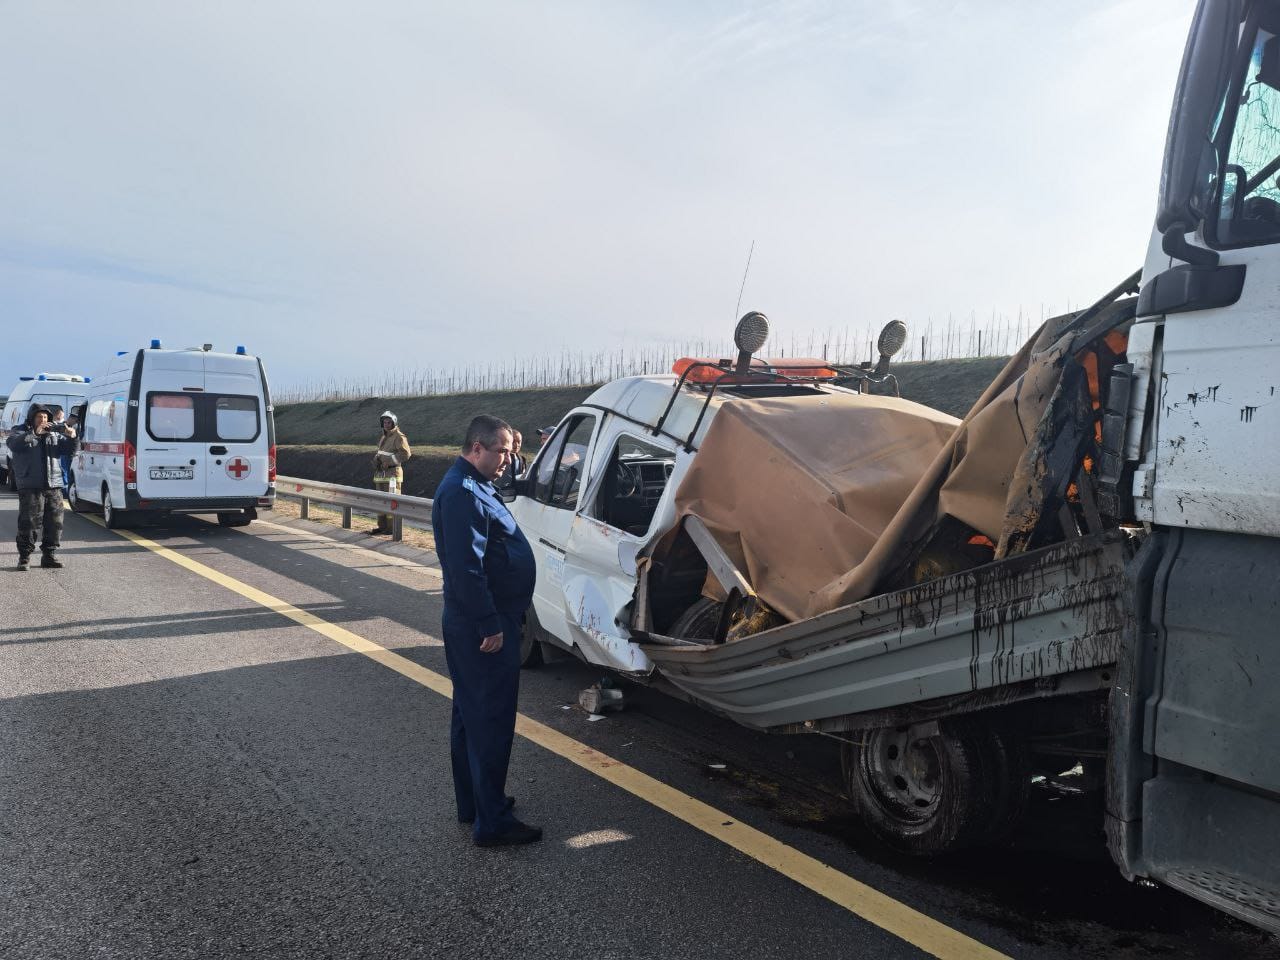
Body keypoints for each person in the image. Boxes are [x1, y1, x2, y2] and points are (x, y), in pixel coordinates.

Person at [431, 415, 541, 847]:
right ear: (476, 447)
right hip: (483, 626)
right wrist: (489, 623)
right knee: (490, 720)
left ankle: (477, 803)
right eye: (502, 452)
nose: (508, 461)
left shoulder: (475, 485)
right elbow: (465, 568)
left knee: (470, 716)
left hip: (482, 620)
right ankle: (492, 823)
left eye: (511, 452)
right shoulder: (462, 492)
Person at [6, 405, 78, 570]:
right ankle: (24, 558)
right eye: (39, 417)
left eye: (46, 418)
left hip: (54, 486)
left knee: (55, 524)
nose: (43, 421)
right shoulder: (20, 431)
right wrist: (35, 433)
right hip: (31, 486)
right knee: (29, 524)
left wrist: (72, 437)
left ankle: (49, 556)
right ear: (32, 418)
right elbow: (14, 445)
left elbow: (69, 451)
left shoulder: (53, 434)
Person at [371, 410, 412, 535]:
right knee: (381, 503)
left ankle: (391, 529)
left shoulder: (399, 437)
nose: (386, 424)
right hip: (381, 475)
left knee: (392, 503)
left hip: (393, 475)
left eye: (389, 422)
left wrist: (389, 462)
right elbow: (381, 453)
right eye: (384, 422)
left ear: (394, 423)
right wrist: (376, 460)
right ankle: (382, 527)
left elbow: (406, 454)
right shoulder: (384, 437)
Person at [493, 429, 527, 499]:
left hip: (515, 496)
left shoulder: (522, 459)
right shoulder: (499, 458)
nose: (516, 445)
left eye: (519, 442)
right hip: (500, 494)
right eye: (513, 441)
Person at [50, 406, 72, 488]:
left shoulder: (64, 424)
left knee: (65, 469)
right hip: (57, 451)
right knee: (63, 470)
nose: (63, 417)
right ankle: (64, 486)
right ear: (58, 415)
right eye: (62, 415)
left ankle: (65, 486)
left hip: (63, 451)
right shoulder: (52, 425)